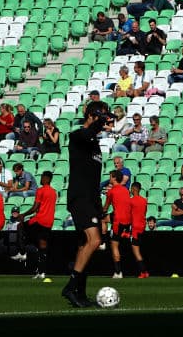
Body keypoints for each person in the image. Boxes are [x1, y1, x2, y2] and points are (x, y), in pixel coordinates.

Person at [62, 101, 113, 308]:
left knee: (85, 245)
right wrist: (96, 124)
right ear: (91, 115)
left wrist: (101, 215)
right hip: (79, 197)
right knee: (94, 241)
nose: (104, 122)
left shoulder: (94, 143)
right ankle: (71, 286)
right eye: (100, 117)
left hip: (91, 199)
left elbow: (94, 178)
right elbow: (84, 134)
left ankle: (80, 294)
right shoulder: (78, 136)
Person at [128, 182, 150, 278]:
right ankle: (144, 271)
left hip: (135, 228)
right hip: (142, 227)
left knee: (136, 251)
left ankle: (143, 272)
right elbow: (144, 213)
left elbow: (128, 215)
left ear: (134, 189)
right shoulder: (144, 200)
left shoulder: (131, 201)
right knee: (138, 250)